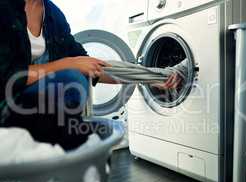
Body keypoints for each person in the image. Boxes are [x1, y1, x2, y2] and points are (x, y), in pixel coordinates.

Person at [0, 0, 181, 150]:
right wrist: (66, 63)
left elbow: (88, 65)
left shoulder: (53, 14)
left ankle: (58, 153)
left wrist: (148, 78)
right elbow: (7, 76)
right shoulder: (5, 9)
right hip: (7, 103)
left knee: (75, 79)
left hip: (41, 106)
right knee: (72, 79)